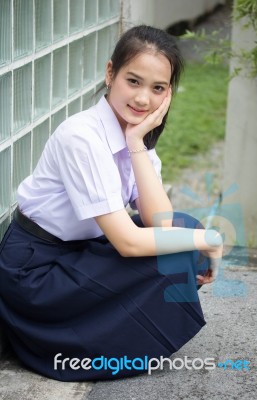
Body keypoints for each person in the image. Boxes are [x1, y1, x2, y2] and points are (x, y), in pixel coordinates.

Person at [0, 25, 223, 381]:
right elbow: (128, 242)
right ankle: (70, 343)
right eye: (133, 81)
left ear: (168, 93)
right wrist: (209, 240)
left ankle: (113, 331)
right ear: (110, 73)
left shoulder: (134, 137)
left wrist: (137, 142)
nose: (143, 99)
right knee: (187, 245)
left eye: (158, 88)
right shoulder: (81, 137)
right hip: (36, 272)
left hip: (78, 252)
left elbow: (161, 224)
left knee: (183, 235)